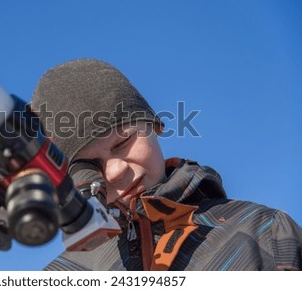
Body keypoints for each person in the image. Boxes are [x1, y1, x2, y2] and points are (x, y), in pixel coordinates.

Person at [31, 58, 302, 271]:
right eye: (89, 167)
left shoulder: (266, 233)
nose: (115, 171)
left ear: (154, 125)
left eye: (123, 142)